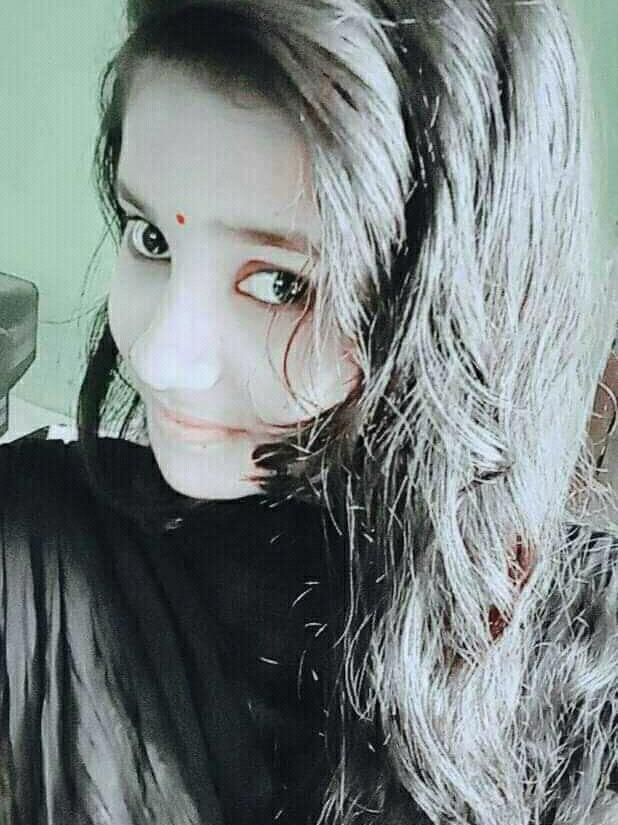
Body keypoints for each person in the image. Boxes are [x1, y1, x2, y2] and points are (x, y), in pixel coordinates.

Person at [0, 1, 616, 823]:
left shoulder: (586, 649)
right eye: (152, 237)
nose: (158, 356)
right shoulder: (37, 544)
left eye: (281, 283)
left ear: (453, 315)